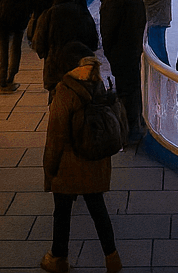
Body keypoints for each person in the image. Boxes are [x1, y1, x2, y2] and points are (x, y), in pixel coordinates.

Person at [40, 47, 122, 273]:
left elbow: (55, 136)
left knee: (62, 212)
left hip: (69, 165)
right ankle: (112, 257)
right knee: (98, 209)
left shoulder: (65, 92)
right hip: (95, 162)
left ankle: (58, 258)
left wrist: (50, 170)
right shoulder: (97, 82)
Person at [99, 0, 147, 144]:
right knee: (133, 88)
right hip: (133, 50)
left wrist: (109, 52)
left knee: (125, 91)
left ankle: (128, 130)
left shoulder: (112, 1)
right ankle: (135, 125)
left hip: (120, 53)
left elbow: (107, 32)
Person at [32, 0, 99, 102]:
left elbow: (39, 44)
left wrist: (47, 54)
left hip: (55, 66)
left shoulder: (49, 14)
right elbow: (93, 42)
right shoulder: (82, 13)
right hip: (79, 67)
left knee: (57, 103)